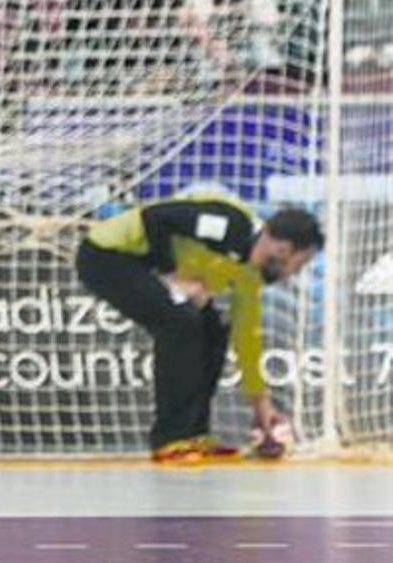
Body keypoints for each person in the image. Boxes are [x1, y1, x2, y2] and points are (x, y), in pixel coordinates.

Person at [76, 195, 322, 464]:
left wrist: (261, 405)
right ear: (284, 250)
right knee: (180, 323)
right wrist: (172, 274)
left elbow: (247, 341)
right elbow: (155, 219)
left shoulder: (248, 276)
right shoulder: (228, 226)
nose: (295, 273)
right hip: (106, 255)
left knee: (213, 331)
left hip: (142, 266)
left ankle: (195, 435)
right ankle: (171, 440)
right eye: (300, 263)